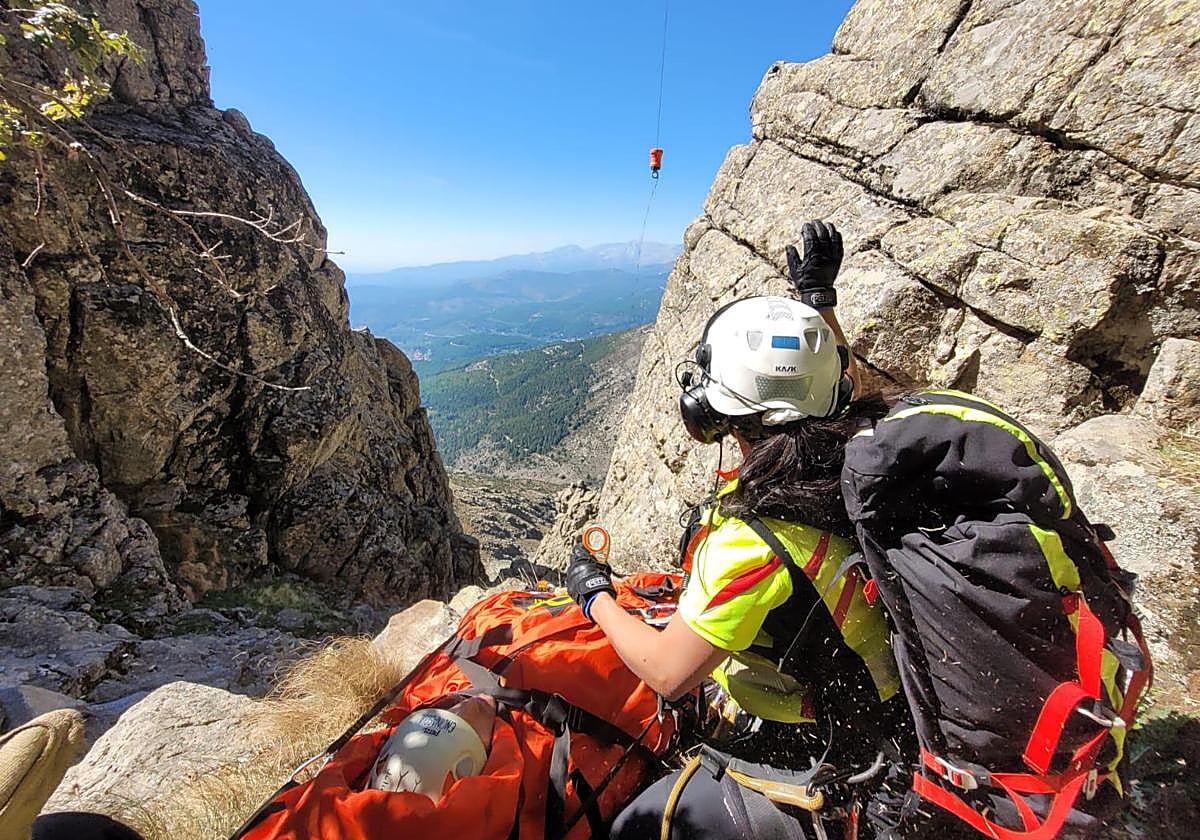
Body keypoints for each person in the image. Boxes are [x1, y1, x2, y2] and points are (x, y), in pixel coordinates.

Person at [565, 221, 910, 838]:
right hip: (883, 695)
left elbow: (669, 672)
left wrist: (595, 596)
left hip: (824, 742)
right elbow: (837, 386)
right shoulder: (868, 446)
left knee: (631, 831)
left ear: (724, 417)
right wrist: (818, 306)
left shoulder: (754, 545)